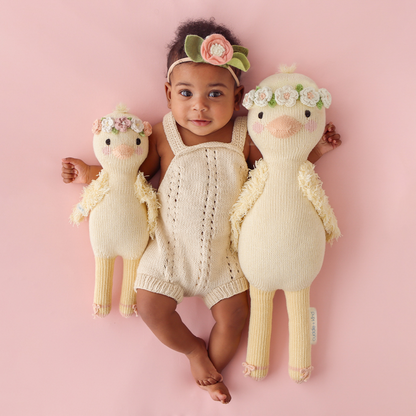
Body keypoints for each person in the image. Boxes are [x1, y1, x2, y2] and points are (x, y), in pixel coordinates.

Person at [62, 18, 341, 404]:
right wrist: (90, 173)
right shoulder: (161, 135)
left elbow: (282, 165)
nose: (199, 106)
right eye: (186, 93)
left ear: (237, 94)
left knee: (236, 317)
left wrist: (317, 151)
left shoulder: (245, 136)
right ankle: (194, 350)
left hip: (222, 261)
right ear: (167, 94)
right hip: (167, 253)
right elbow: (129, 175)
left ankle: (212, 367)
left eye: (214, 94)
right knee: (150, 307)